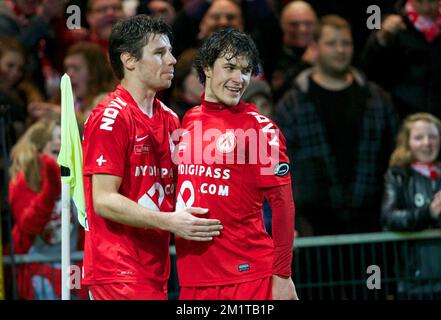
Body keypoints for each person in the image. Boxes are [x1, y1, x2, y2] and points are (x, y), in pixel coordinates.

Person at [81, 15, 222, 300]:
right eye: (159, 53)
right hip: (118, 270)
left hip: (155, 269)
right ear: (129, 61)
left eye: (169, 51)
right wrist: (170, 221)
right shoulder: (111, 118)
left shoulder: (170, 118)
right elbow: (103, 199)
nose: (171, 60)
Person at [174, 28, 298, 300]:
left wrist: (282, 276)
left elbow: (283, 206)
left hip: (248, 277)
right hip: (193, 278)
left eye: (245, 70)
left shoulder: (260, 130)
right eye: (229, 67)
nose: (238, 79)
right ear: (207, 67)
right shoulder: (188, 121)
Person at [274, 15, 399, 236]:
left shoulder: (377, 98)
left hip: (372, 220)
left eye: (346, 43)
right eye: (331, 43)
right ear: (315, 46)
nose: (340, 50)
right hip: (314, 224)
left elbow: (394, 155)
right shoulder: (293, 103)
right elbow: (280, 164)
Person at [8, 119, 85, 300]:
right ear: (40, 146)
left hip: (72, 266)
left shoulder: (74, 176)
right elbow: (29, 225)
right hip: (39, 270)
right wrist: (50, 188)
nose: (60, 143)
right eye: (55, 138)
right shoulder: (22, 180)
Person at [381, 112, 441, 299]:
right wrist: (427, 213)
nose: (427, 143)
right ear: (407, 143)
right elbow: (389, 217)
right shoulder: (398, 177)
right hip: (415, 282)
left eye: (433, 136)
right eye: (419, 137)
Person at [360, 0, 441, 128]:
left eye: (432, 1)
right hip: (402, 118)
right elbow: (368, 70)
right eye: (420, 2)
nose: (427, 8)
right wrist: (382, 40)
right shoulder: (392, 22)